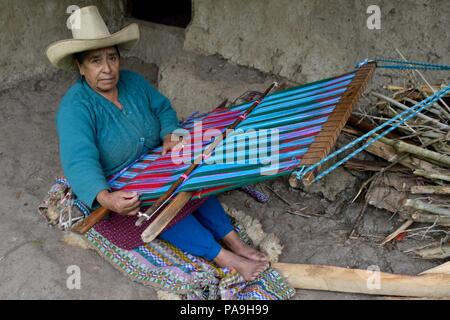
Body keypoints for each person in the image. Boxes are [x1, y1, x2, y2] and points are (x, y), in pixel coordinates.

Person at [46, 5, 268, 281]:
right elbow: (79, 159)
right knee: (162, 206)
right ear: (80, 66)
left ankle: (233, 240)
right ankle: (223, 256)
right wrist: (106, 198)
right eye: (95, 61)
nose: (107, 69)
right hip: (120, 184)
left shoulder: (133, 82)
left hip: (156, 163)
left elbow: (163, 109)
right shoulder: (75, 107)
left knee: (193, 179)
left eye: (112, 58)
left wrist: (169, 134)